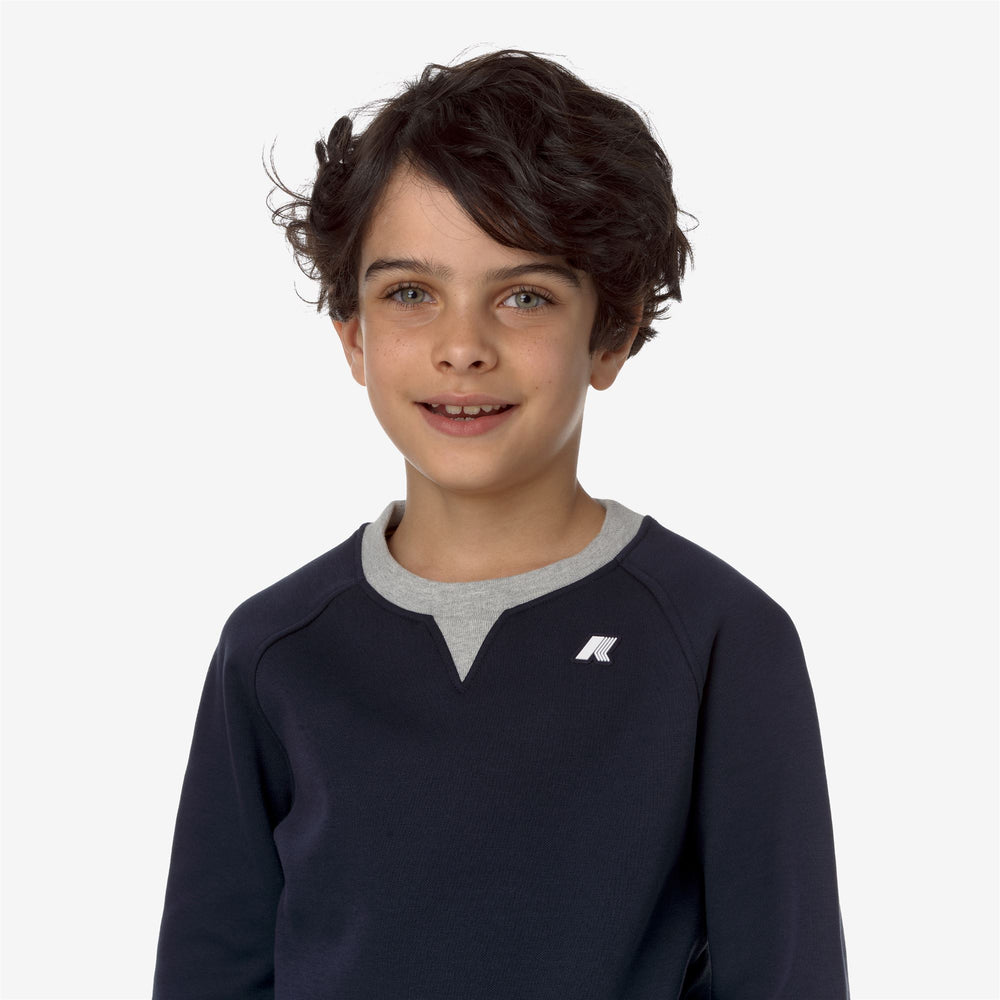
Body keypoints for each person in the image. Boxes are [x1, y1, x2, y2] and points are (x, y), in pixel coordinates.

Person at [151, 47, 850, 999]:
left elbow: (788, 977)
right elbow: (209, 974)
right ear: (353, 335)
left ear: (611, 333)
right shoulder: (273, 648)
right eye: (410, 293)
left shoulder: (720, 638)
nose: (462, 347)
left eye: (524, 296)